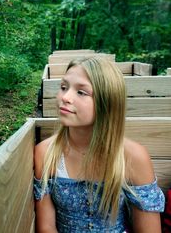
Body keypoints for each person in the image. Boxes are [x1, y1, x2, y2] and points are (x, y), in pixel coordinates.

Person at [33, 57, 165, 232]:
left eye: (81, 92)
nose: (65, 97)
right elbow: (47, 228)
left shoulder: (133, 156)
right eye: (64, 87)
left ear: (106, 103)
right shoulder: (46, 152)